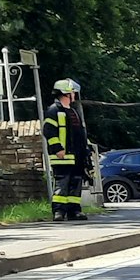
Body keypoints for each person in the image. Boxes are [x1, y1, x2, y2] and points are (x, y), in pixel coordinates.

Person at [43, 78, 91, 221]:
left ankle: (74, 210)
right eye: (72, 92)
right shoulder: (54, 110)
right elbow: (48, 131)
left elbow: (80, 133)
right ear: (65, 93)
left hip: (77, 155)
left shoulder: (74, 111)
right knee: (62, 184)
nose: (74, 95)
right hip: (62, 155)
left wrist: (86, 150)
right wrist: (57, 148)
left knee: (75, 183)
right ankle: (59, 211)